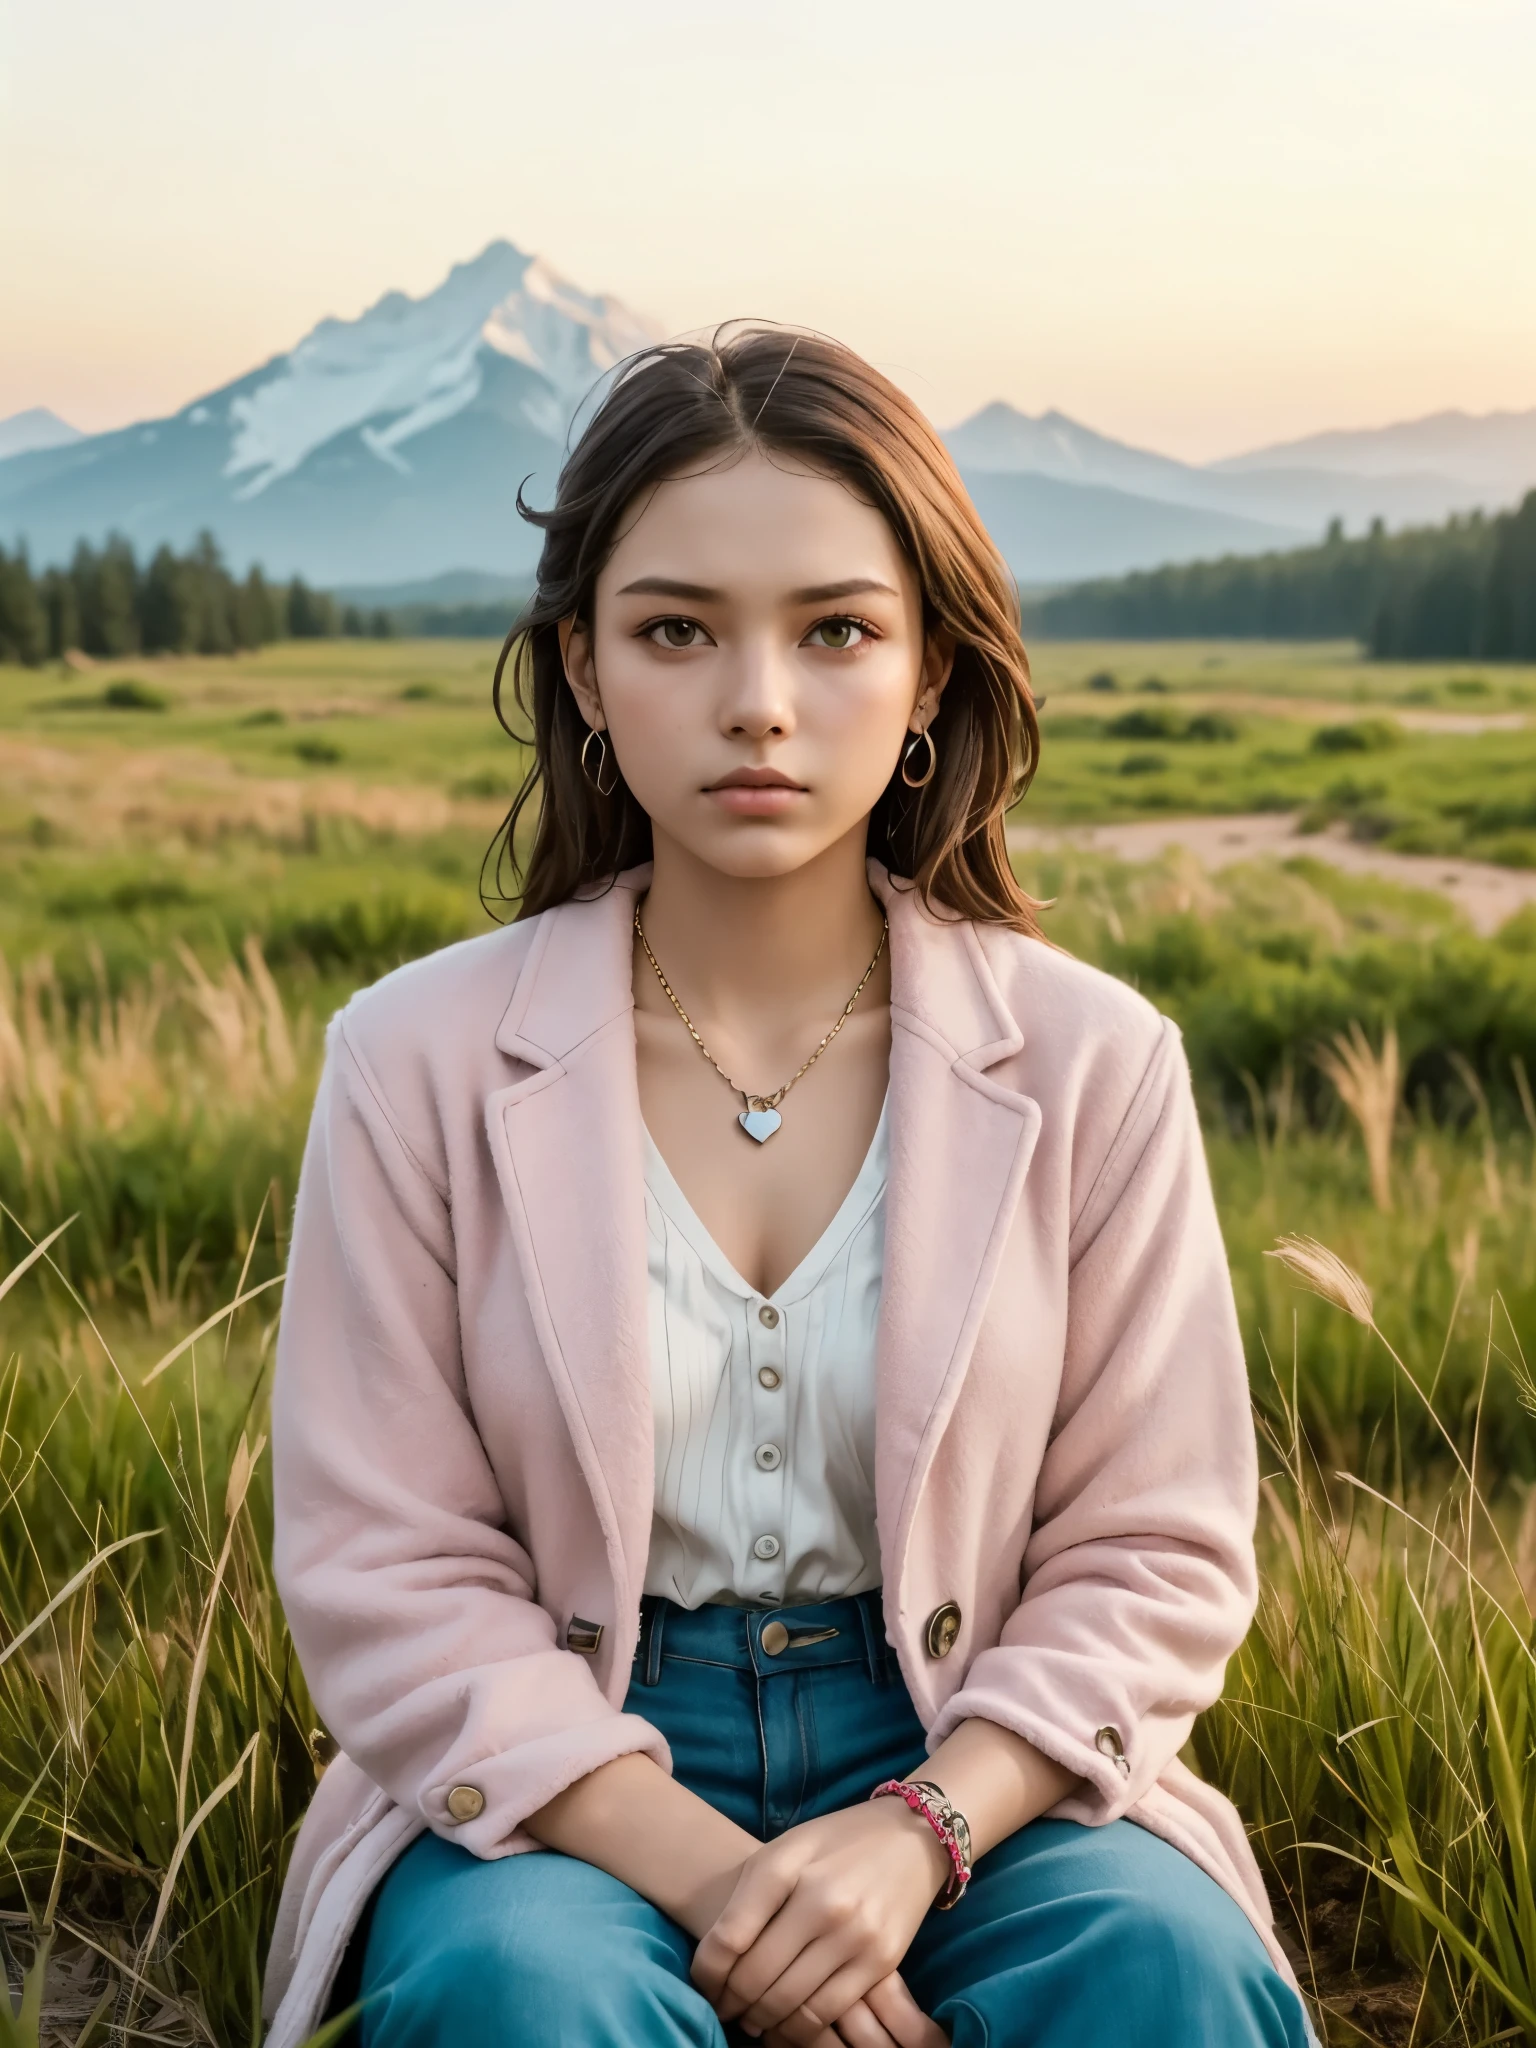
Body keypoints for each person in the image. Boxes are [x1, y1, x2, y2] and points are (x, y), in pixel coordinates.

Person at [261, 328, 1316, 2048]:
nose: (758, 697)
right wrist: (721, 1876)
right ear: (587, 675)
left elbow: (1156, 1545)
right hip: (566, 1769)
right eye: (677, 629)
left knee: (1161, 1971)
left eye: (836, 630)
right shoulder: (417, 1057)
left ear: (928, 679)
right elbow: (388, 1562)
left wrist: (916, 1837)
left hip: (984, 1760)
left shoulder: (1091, 1061)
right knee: (516, 1993)